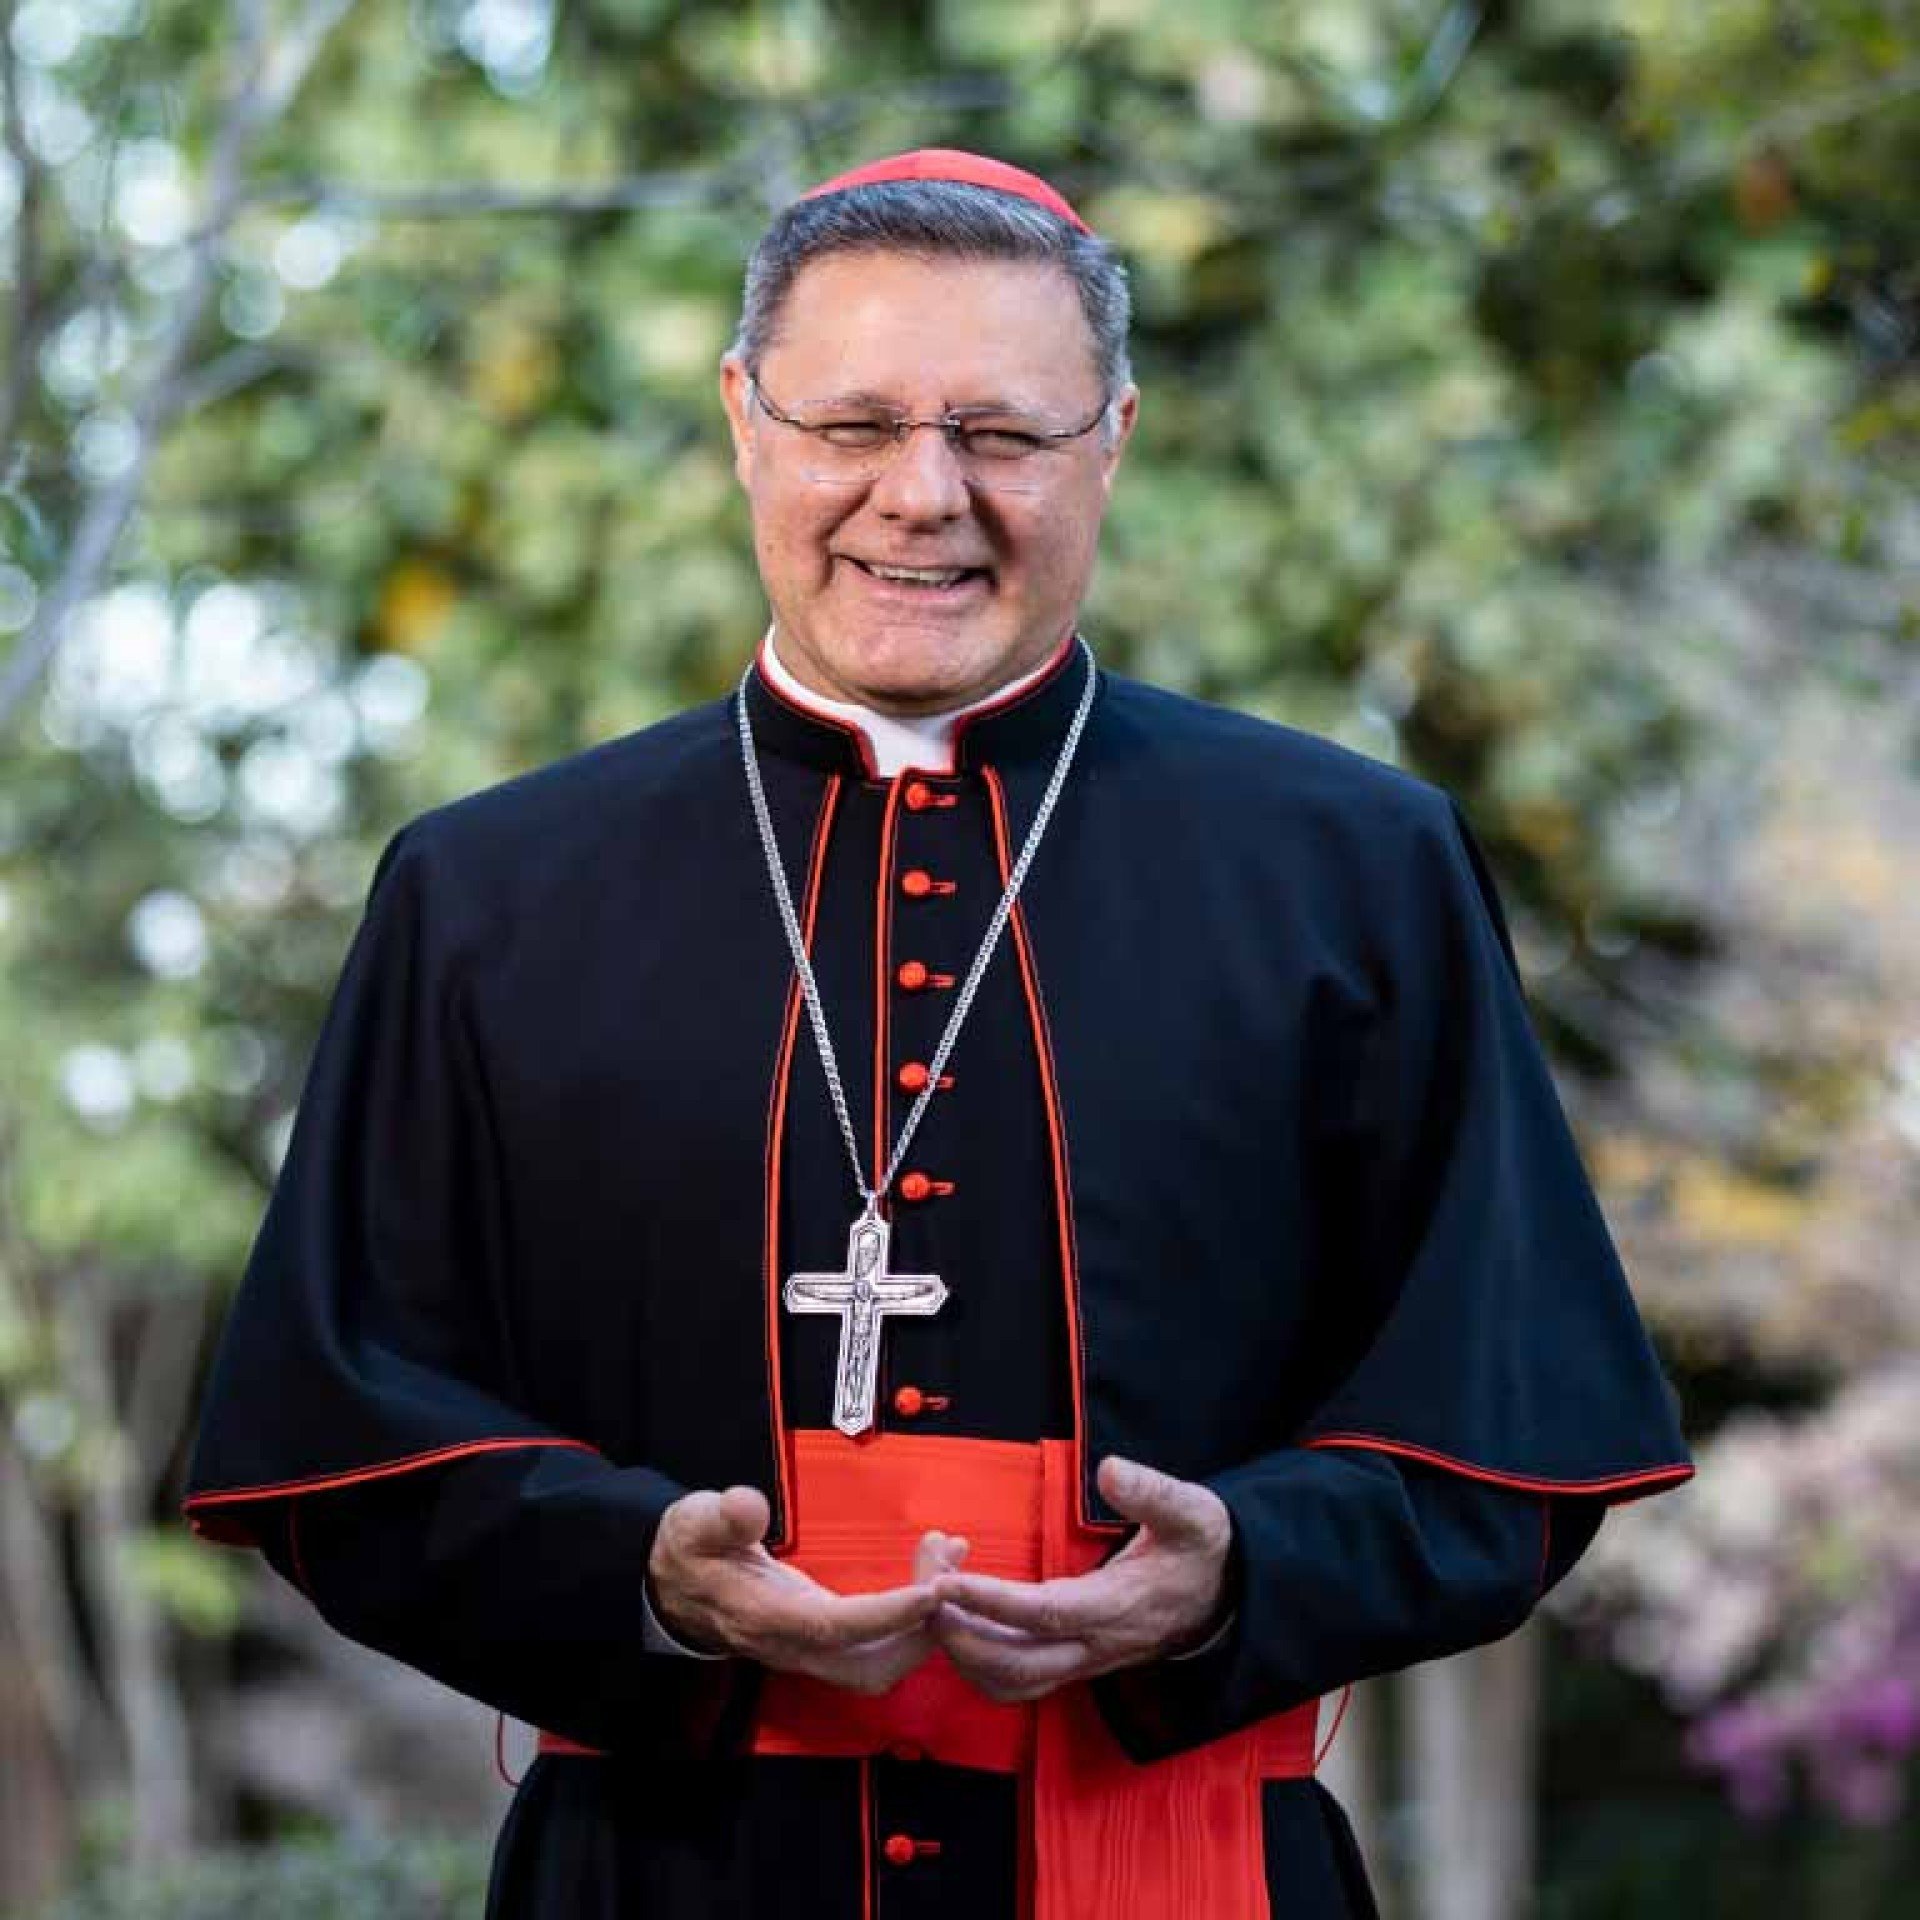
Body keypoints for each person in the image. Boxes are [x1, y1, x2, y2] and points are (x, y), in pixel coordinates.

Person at [185, 148, 1693, 1920]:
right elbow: (342, 1438)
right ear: (746, 419)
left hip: (1180, 1859)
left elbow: (1508, 1431)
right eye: (855, 425)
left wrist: (1240, 1575)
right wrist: (644, 1577)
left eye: (1003, 433)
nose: (924, 495)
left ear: (1111, 440)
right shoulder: (489, 894)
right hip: (667, 1874)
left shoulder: (1354, 868)